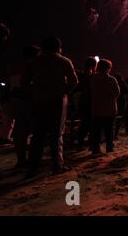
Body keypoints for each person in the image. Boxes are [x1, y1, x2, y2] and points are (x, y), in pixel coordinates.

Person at [23, 37, 78, 176]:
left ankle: (33, 167)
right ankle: (57, 165)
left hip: (39, 101)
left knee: (38, 135)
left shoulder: (34, 62)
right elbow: (74, 81)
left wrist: (35, 91)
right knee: (57, 134)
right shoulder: (64, 61)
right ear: (58, 48)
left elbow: (24, 82)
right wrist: (64, 91)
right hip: (58, 101)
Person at [9, 45, 40, 167]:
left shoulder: (15, 66)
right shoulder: (32, 66)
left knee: (20, 132)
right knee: (36, 131)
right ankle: (33, 160)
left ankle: (21, 160)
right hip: (29, 101)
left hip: (17, 101)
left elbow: (11, 85)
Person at [90, 59, 120, 154]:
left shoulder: (93, 79)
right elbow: (117, 93)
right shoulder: (111, 79)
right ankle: (109, 146)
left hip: (96, 108)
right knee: (109, 129)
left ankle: (96, 148)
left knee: (96, 130)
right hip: (109, 108)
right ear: (108, 68)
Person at [76, 57, 97, 150]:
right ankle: (90, 144)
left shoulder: (81, 75)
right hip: (90, 102)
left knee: (85, 124)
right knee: (91, 124)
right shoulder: (93, 76)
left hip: (83, 102)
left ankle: (80, 143)